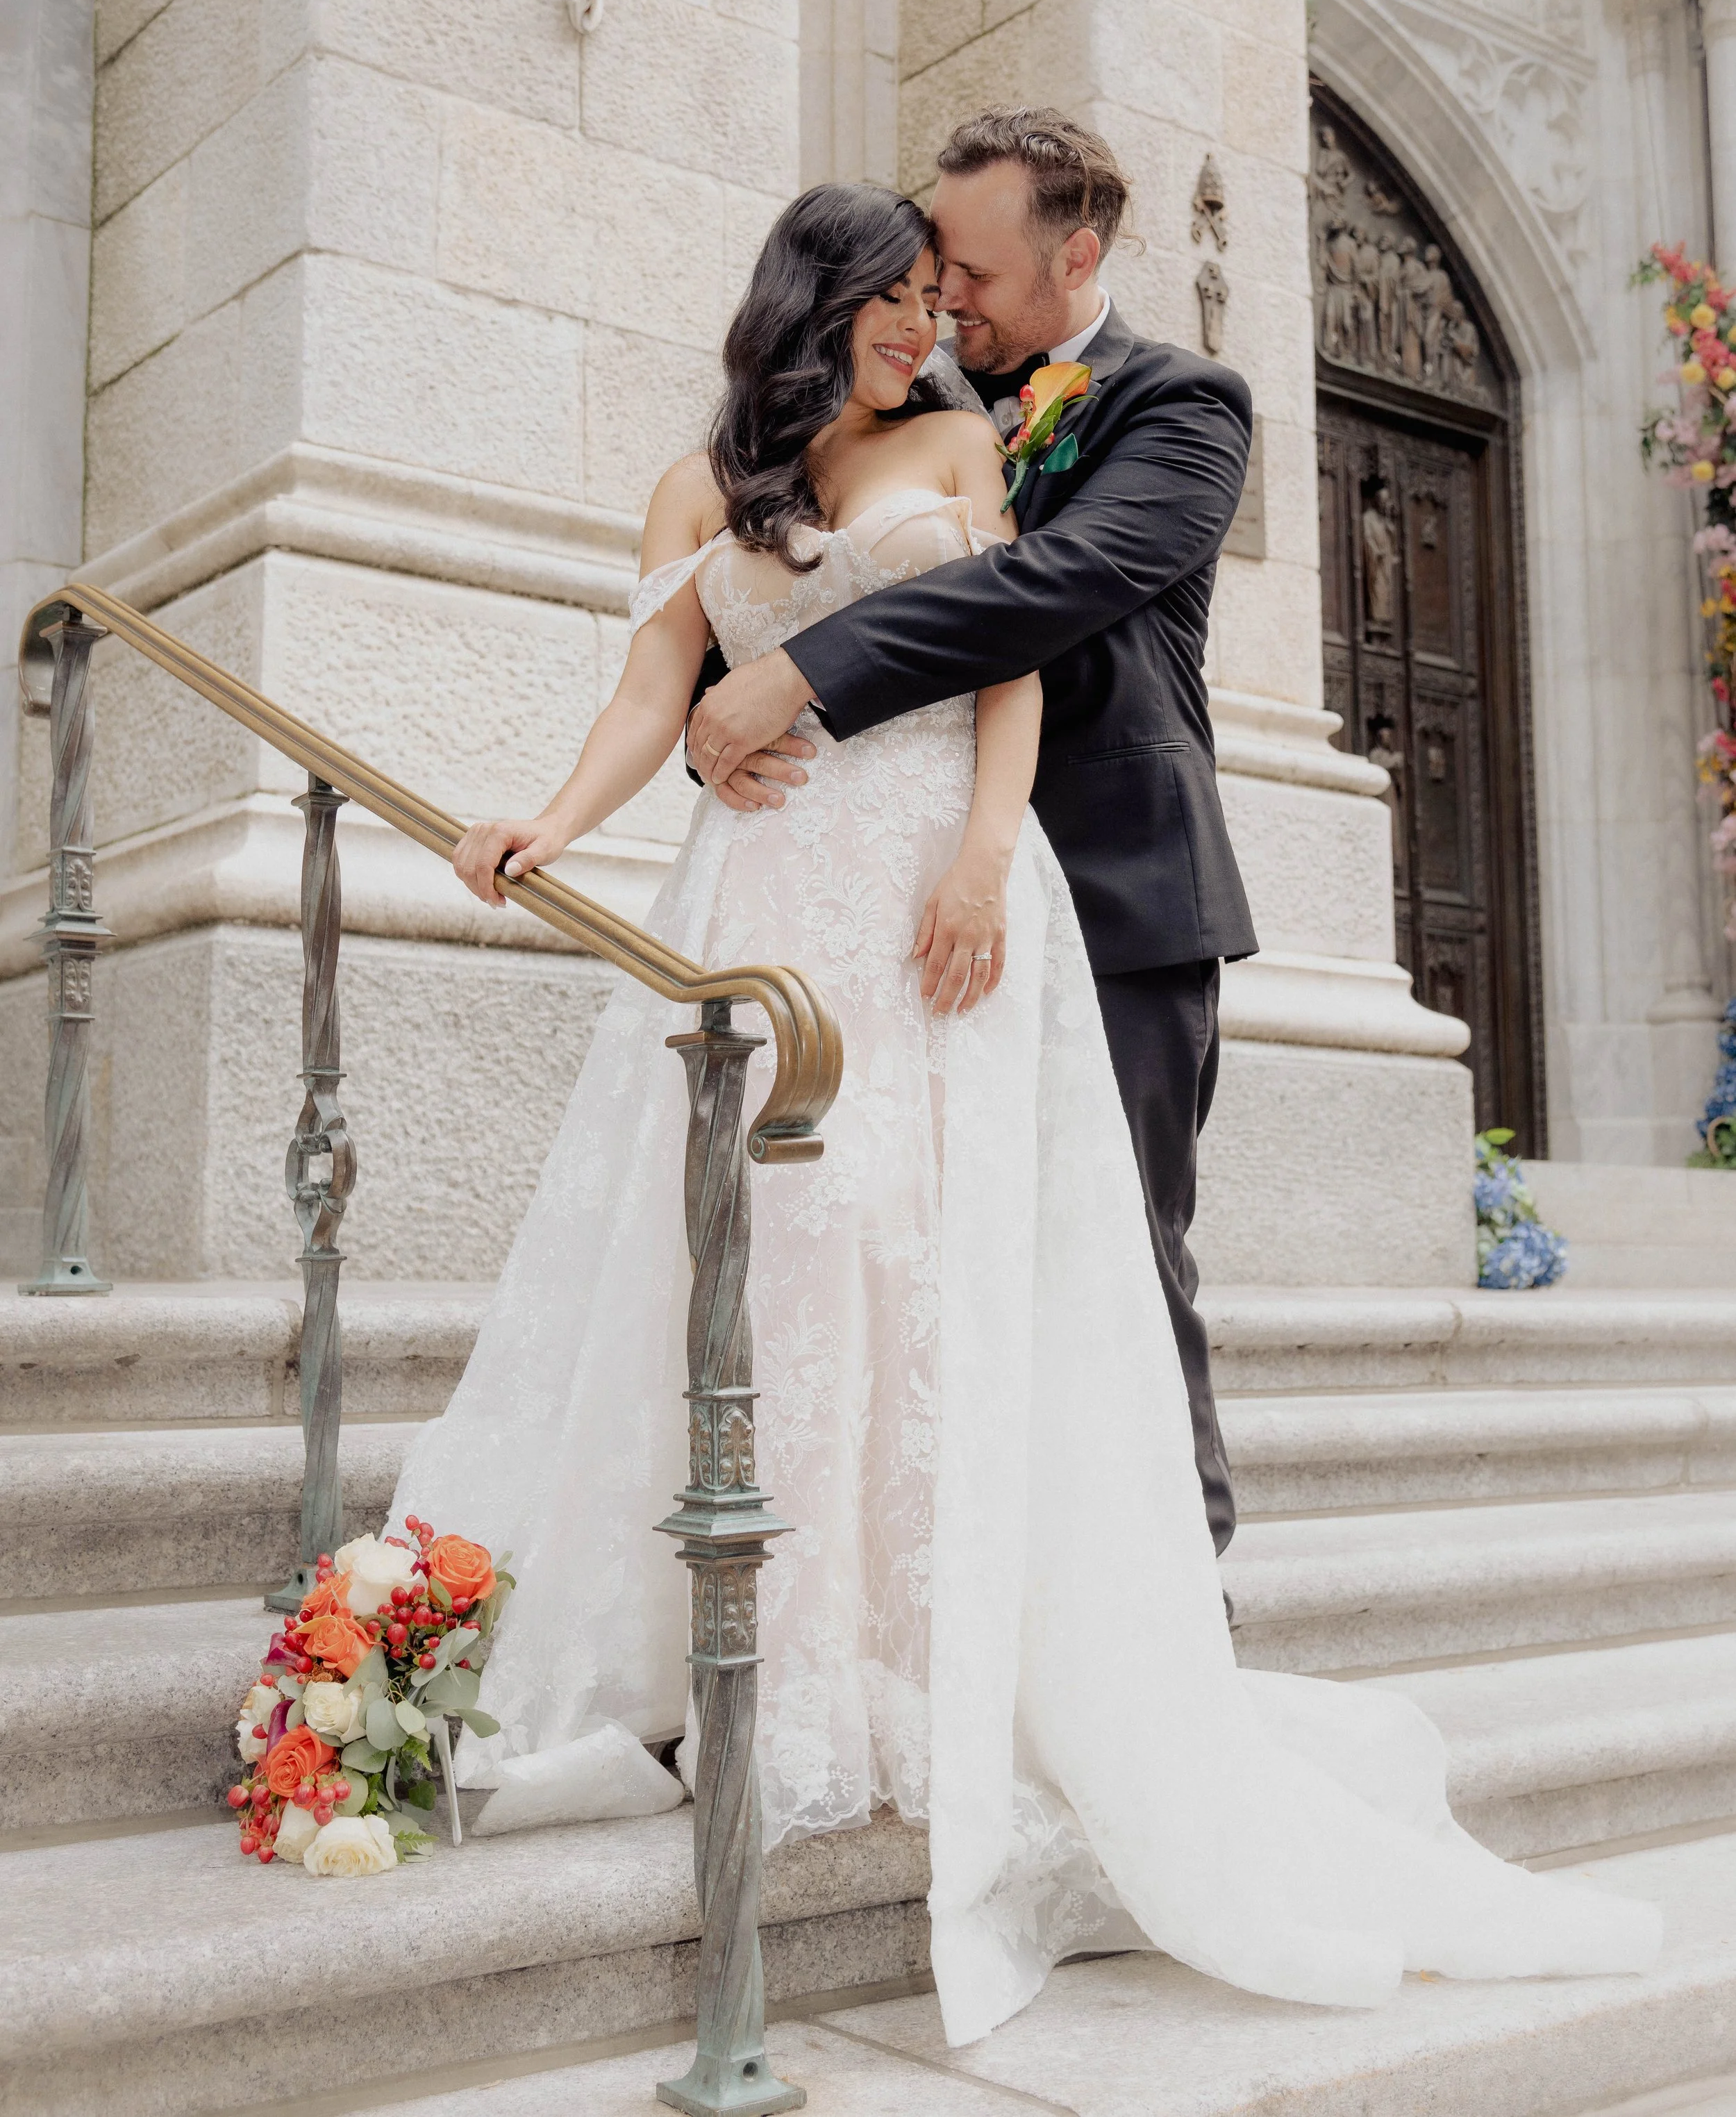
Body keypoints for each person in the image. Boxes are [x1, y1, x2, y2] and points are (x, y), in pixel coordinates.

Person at [391, 177, 1658, 2051]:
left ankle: (965, 1657)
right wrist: (544, 828)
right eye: (900, 298)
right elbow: (654, 692)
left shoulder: (974, 437)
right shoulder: (694, 486)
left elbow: (1004, 655)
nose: (928, 325)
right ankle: (789, 1662)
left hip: (937, 902)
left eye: (943, 290)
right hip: (764, 901)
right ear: (811, 303)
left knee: (934, 1259)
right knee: (780, 1267)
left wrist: (985, 860)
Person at [689, 109, 1256, 1560]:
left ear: (1075, 256)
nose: (943, 301)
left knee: (1119, 1257)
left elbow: (1055, 581)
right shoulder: (911, 396)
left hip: (1115, 890)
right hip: (906, 905)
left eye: (974, 275)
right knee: (921, 1269)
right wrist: (722, 729)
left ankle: (1179, 1615)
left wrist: (800, 677)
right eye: (930, 269)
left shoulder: (1182, 405)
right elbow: (772, 558)